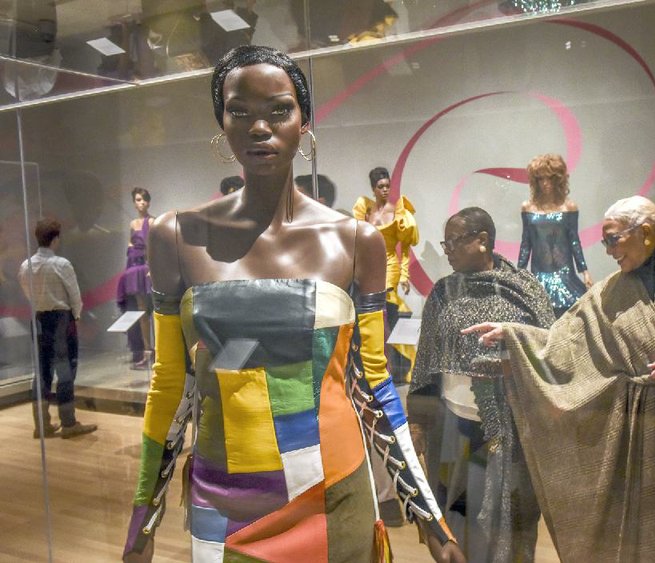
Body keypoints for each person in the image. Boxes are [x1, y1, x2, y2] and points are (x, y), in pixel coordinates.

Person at [122, 45, 463, 563]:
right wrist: (143, 512)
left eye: (279, 109)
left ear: (304, 123)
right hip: (227, 497)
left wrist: (430, 521)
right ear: (222, 123)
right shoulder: (176, 235)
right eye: (241, 111)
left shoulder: (355, 241)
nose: (261, 127)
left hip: (333, 494)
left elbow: (373, 384)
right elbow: (172, 383)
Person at [467, 196, 655, 561]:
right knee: (647, 531)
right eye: (604, 241)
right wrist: (513, 334)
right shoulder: (609, 293)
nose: (607, 251)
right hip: (643, 436)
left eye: (613, 239)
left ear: (645, 232)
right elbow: (564, 341)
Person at [409, 207, 554, 562]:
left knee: (512, 518)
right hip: (451, 427)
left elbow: (551, 347)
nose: (448, 250)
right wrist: (416, 420)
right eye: (445, 243)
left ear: (482, 240)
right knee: (455, 513)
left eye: (454, 241)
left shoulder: (524, 289)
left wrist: (514, 352)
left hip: (511, 430)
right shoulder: (443, 292)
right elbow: (426, 360)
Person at [18, 218, 97, 439]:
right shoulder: (61, 264)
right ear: (55, 239)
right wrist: (77, 316)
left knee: (42, 372)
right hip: (62, 319)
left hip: (39, 319)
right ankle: (69, 423)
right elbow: (75, 296)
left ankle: (42, 425)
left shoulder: (26, 266)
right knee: (65, 372)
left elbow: (28, 293)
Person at [352, 167, 418, 383]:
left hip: (390, 265)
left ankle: (396, 364)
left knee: (387, 311)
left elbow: (405, 247)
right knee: (374, 314)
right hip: (368, 264)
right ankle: (375, 360)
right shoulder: (365, 210)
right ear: (373, 188)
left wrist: (405, 275)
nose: (385, 190)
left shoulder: (397, 212)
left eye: (388, 186)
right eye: (381, 186)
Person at [517, 153, 593, 317]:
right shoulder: (528, 207)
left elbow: (574, 241)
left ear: (558, 179)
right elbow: (526, 243)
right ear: (535, 181)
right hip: (539, 275)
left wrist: (585, 271)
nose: (545, 183)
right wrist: (519, 273)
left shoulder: (569, 207)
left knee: (572, 316)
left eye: (549, 178)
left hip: (565, 274)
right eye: (540, 179)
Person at [117, 187, 153, 370]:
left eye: (144, 199)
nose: (141, 203)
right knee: (141, 313)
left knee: (152, 312)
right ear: (134, 202)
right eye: (138, 200)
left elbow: (153, 249)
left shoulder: (152, 222)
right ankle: (147, 351)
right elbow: (131, 250)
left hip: (148, 271)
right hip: (134, 272)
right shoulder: (133, 224)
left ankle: (154, 352)